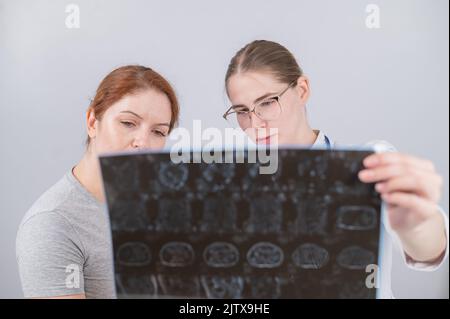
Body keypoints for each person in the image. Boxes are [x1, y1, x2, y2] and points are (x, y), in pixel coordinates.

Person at [222, 40, 449, 298]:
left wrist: (417, 225)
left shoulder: (368, 165)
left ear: (302, 90)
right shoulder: (236, 186)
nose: (255, 123)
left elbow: (428, 251)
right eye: (242, 111)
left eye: (267, 102)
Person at [16, 65, 180, 298]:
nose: (143, 143)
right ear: (93, 122)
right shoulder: (51, 224)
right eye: (128, 123)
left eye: (158, 132)